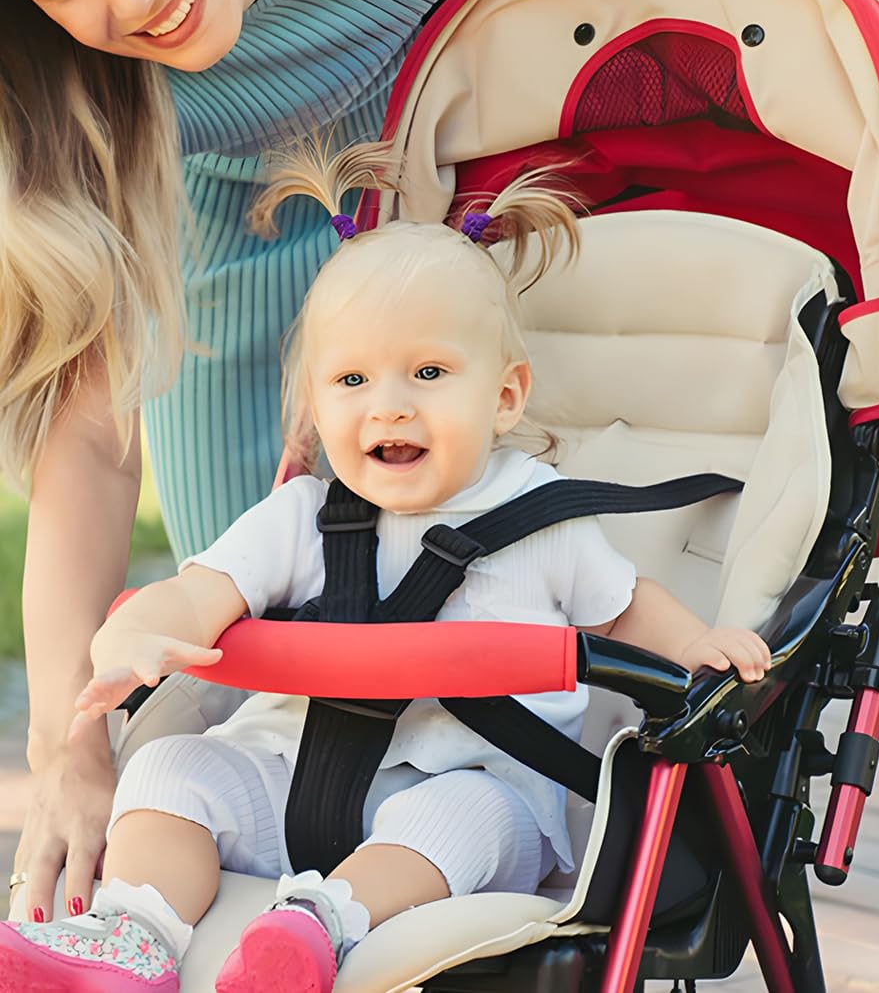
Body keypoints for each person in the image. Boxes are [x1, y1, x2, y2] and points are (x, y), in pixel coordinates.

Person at [0, 0, 879, 922]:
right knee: (268, 641)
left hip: (475, 170)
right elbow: (89, 435)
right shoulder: (69, 77)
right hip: (240, 227)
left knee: (507, 536)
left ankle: (476, 857)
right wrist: (64, 747)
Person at [0, 146, 772, 992]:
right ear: (314, 404)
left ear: (505, 396)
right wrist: (142, 630)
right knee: (168, 769)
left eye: (429, 373)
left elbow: (625, 610)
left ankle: (314, 929)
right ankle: (136, 935)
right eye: (353, 379)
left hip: (463, 793)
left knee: (466, 815)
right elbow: (203, 591)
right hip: (292, 781)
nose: (390, 405)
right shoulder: (299, 518)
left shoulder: (544, 523)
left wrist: (696, 647)